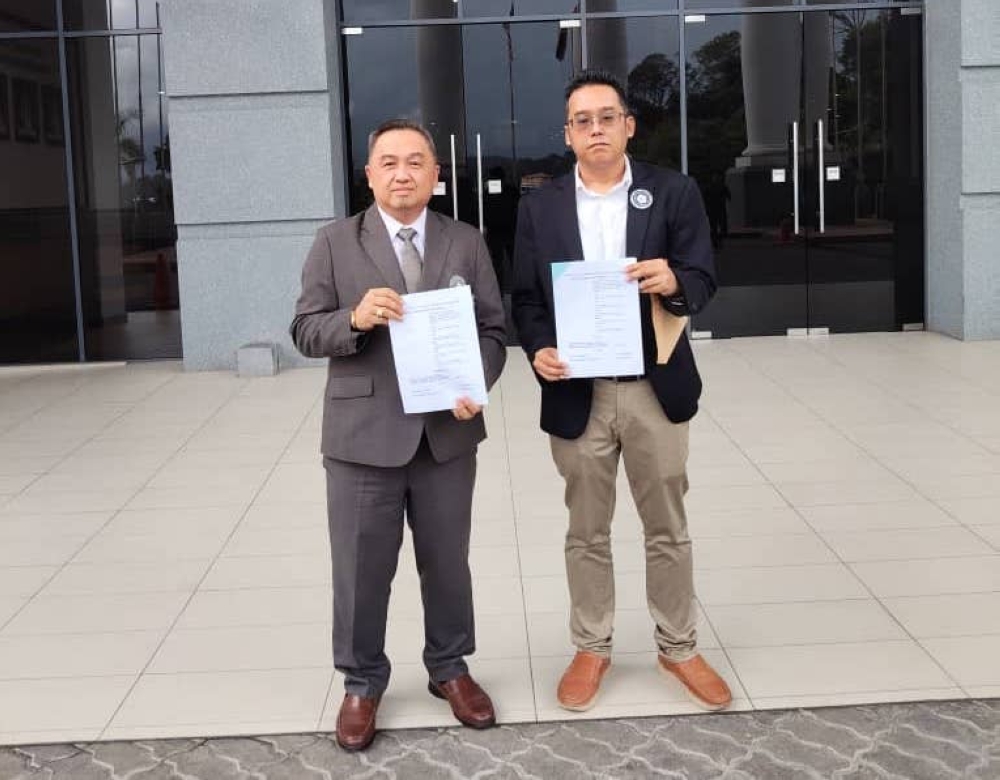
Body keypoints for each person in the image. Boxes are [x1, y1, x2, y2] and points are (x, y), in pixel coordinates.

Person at [511, 71, 730, 713]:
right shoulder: (541, 206)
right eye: (582, 120)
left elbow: (703, 276)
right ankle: (592, 646)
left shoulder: (672, 191)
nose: (596, 129)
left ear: (629, 125)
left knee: (667, 526)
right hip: (578, 392)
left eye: (608, 117)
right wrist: (538, 348)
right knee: (586, 530)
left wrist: (674, 281)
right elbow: (526, 299)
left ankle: (679, 646)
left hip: (654, 389)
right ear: (568, 134)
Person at [291, 119, 507, 751]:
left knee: (447, 561)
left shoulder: (465, 241)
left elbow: (493, 330)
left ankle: (450, 667)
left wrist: (478, 381)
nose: (403, 173)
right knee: (361, 567)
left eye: (416, 162)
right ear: (370, 175)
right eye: (389, 162)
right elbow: (304, 330)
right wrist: (354, 320)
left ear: (436, 174)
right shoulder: (335, 242)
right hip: (362, 437)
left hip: (447, 434)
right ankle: (362, 681)